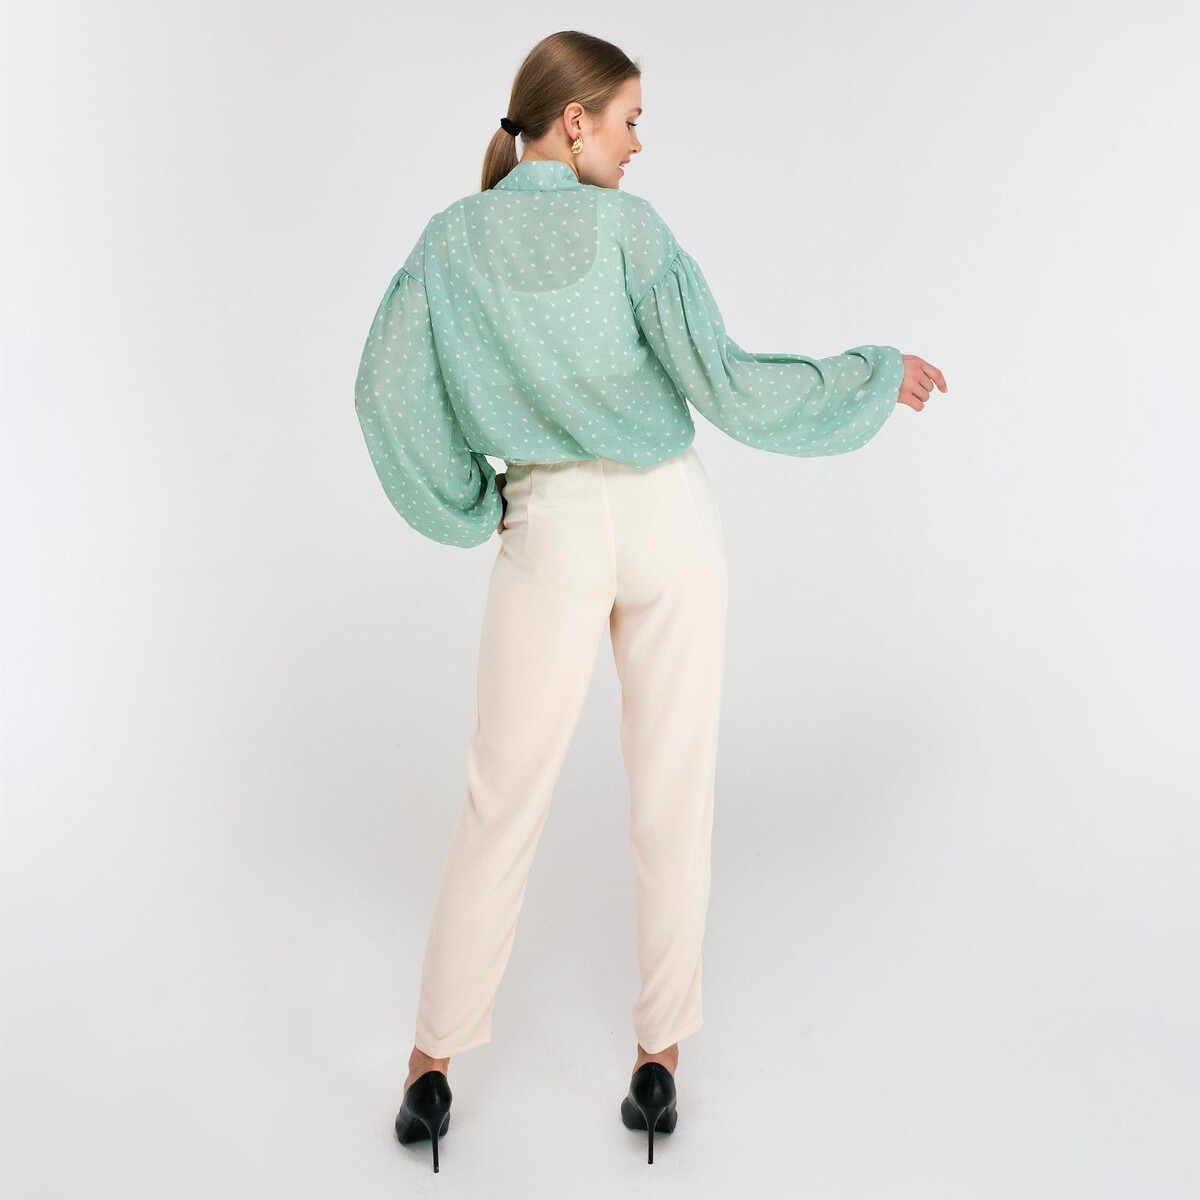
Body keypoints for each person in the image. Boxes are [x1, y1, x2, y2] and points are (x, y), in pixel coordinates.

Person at [355, 30, 947, 1172]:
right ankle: (659, 1060)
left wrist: (470, 504)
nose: (637, 148)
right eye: (629, 122)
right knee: (675, 791)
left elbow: (383, 388)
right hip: (670, 519)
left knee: (499, 799)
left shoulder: (447, 243)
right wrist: (869, 378)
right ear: (573, 120)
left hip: (547, 527)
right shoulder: (632, 234)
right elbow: (726, 383)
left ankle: (430, 1070)